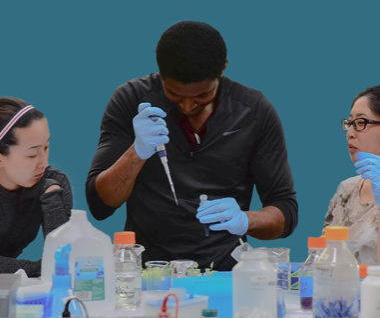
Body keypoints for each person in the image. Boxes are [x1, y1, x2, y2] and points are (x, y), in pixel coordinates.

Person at [86, 21, 298, 270]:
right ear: (160, 75)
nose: (187, 106)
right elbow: (100, 205)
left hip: (225, 272)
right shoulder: (131, 100)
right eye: (174, 94)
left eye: (201, 96)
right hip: (149, 273)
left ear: (223, 70)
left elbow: (286, 213)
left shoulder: (254, 111)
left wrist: (244, 220)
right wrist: (137, 152)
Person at [0, 98, 73, 277]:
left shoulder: (54, 182)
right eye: (32, 155)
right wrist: (36, 269)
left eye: (46, 147)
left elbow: (62, 260)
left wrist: (52, 198)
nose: (44, 163)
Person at [324, 85, 380, 265]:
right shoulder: (346, 189)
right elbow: (322, 258)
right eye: (350, 123)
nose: (350, 133)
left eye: (361, 123)